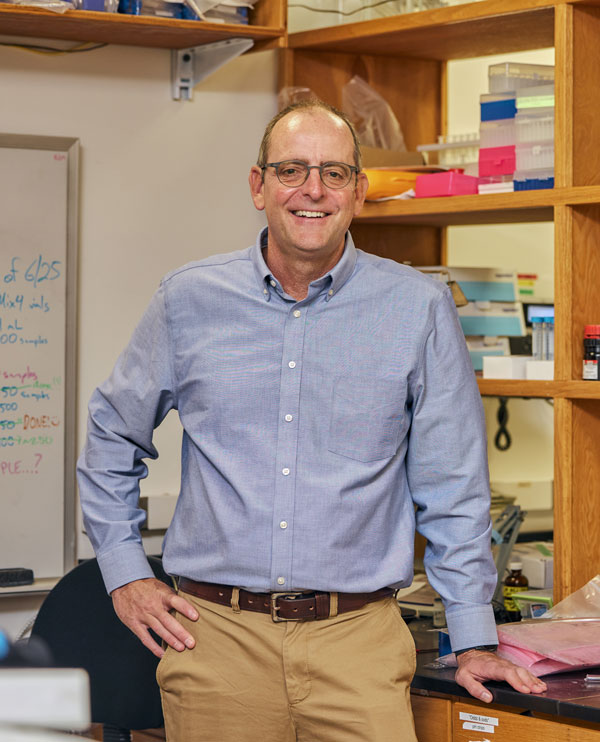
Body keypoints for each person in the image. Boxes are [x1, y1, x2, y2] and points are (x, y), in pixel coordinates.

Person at [77, 100, 546, 742]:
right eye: (292, 169)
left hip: (359, 644)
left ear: (358, 191)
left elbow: (453, 485)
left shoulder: (419, 308)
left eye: (333, 172)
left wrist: (471, 637)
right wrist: (125, 572)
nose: (312, 191)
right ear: (258, 185)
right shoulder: (188, 300)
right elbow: (110, 436)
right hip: (217, 642)